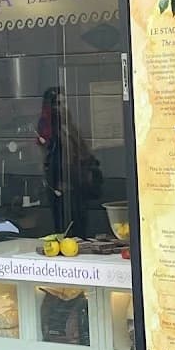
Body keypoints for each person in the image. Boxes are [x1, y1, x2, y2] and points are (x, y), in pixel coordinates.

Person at [36, 86, 102, 239]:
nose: (64, 107)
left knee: (80, 231)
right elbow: (47, 160)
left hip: (78, 187)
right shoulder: (49, 130)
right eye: (59, 103)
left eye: (65, 102)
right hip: (61, 189)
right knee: (65, 233)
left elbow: (83, 152)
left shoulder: (70, 127)